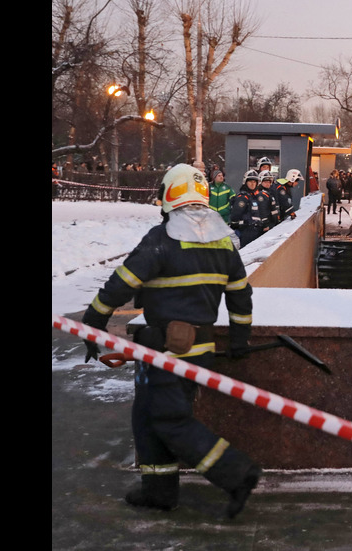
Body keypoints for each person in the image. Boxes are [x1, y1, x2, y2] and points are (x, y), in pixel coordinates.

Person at [80, 164, 260, 518]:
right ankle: (159, 491)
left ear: (168, 196)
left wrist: (93, 321)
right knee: (146, 418)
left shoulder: (161, 240)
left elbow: (121, 284)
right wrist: (240, 339)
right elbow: (241, 296)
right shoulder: (224, 242)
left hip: (167, 352)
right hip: (195, 351)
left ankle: (238, 474)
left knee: (169, 420)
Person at [230, 169, 273, 247]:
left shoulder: (254, 197)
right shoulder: (242, 197)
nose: (252, 184)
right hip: (246, 230)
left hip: (256, 229)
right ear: (245, 182)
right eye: (250, 182)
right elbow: (235, 216)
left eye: (254, 182)